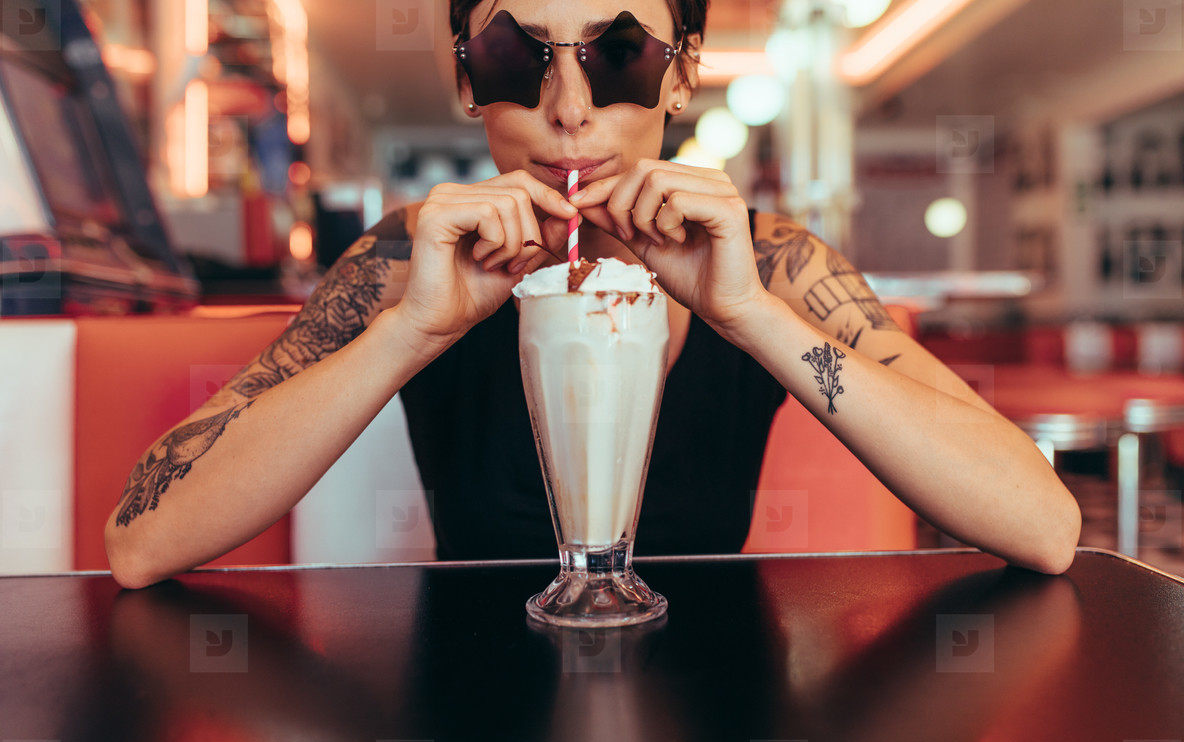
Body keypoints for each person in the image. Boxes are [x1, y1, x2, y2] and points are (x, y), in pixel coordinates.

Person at [105, 0, 1081, 589]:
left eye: (617, 57)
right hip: (472, 700)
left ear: (682, 72)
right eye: (513, 58)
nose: (567, 109)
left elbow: (1039, 526)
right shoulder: (410, 260)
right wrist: (408, 334)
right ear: (463, 81)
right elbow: (144, 542)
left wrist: (746, 316)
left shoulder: (767, 260)